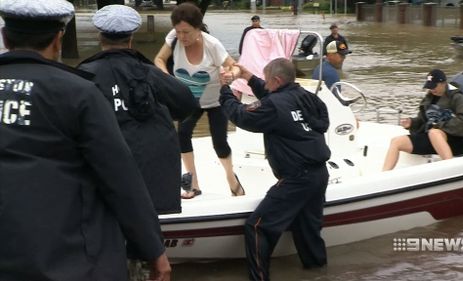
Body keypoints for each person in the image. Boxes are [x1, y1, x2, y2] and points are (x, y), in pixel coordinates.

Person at [0, 1, 171, 281]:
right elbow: (119, 177)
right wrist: (153, 248)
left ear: (6, 38)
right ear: (58, 40)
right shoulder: (78, 92)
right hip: (67, 258)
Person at [78, 5, 197, 215]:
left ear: (100, 37)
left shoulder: (82, 77)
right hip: (153, 185)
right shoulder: (150, 74)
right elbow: (186, 104)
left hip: (104, 187)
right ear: (131, 39)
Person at [219, 58, 331, 281]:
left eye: (268, 81)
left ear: (278, 80)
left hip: (297, 179)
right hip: (319, 175)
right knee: (307, 231)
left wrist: (224, 90)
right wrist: (248, 77)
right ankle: (319, 272)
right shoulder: (309, 98)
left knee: (257, 228)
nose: (266, 86)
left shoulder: (274, 105)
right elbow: (275, 100)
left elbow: (242, 115)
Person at [153, 2, 244, 199]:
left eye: (186, 32)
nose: (182, 37)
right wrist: (166, 77)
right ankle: (193, 184)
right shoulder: (173, 38)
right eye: (178, 32)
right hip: (188, 99)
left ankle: (231, 178)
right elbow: (159, 59)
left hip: (215, 100)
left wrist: (231, 75)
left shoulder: (212, 45)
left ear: (198, 28)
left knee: (219, 142)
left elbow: (235, 66)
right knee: (182, 135)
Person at [382, 69, 463, 171]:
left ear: (443, 83)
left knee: (434, 132)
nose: (432, 90)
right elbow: (422, 121)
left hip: (458, 141)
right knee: (396, 141)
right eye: (429, 87)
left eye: (434, 86)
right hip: (432, 138)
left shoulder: (458, 98)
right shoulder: (429, 99)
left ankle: (450, 169)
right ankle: (384, 175)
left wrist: (439, 125)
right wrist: (412, 123)